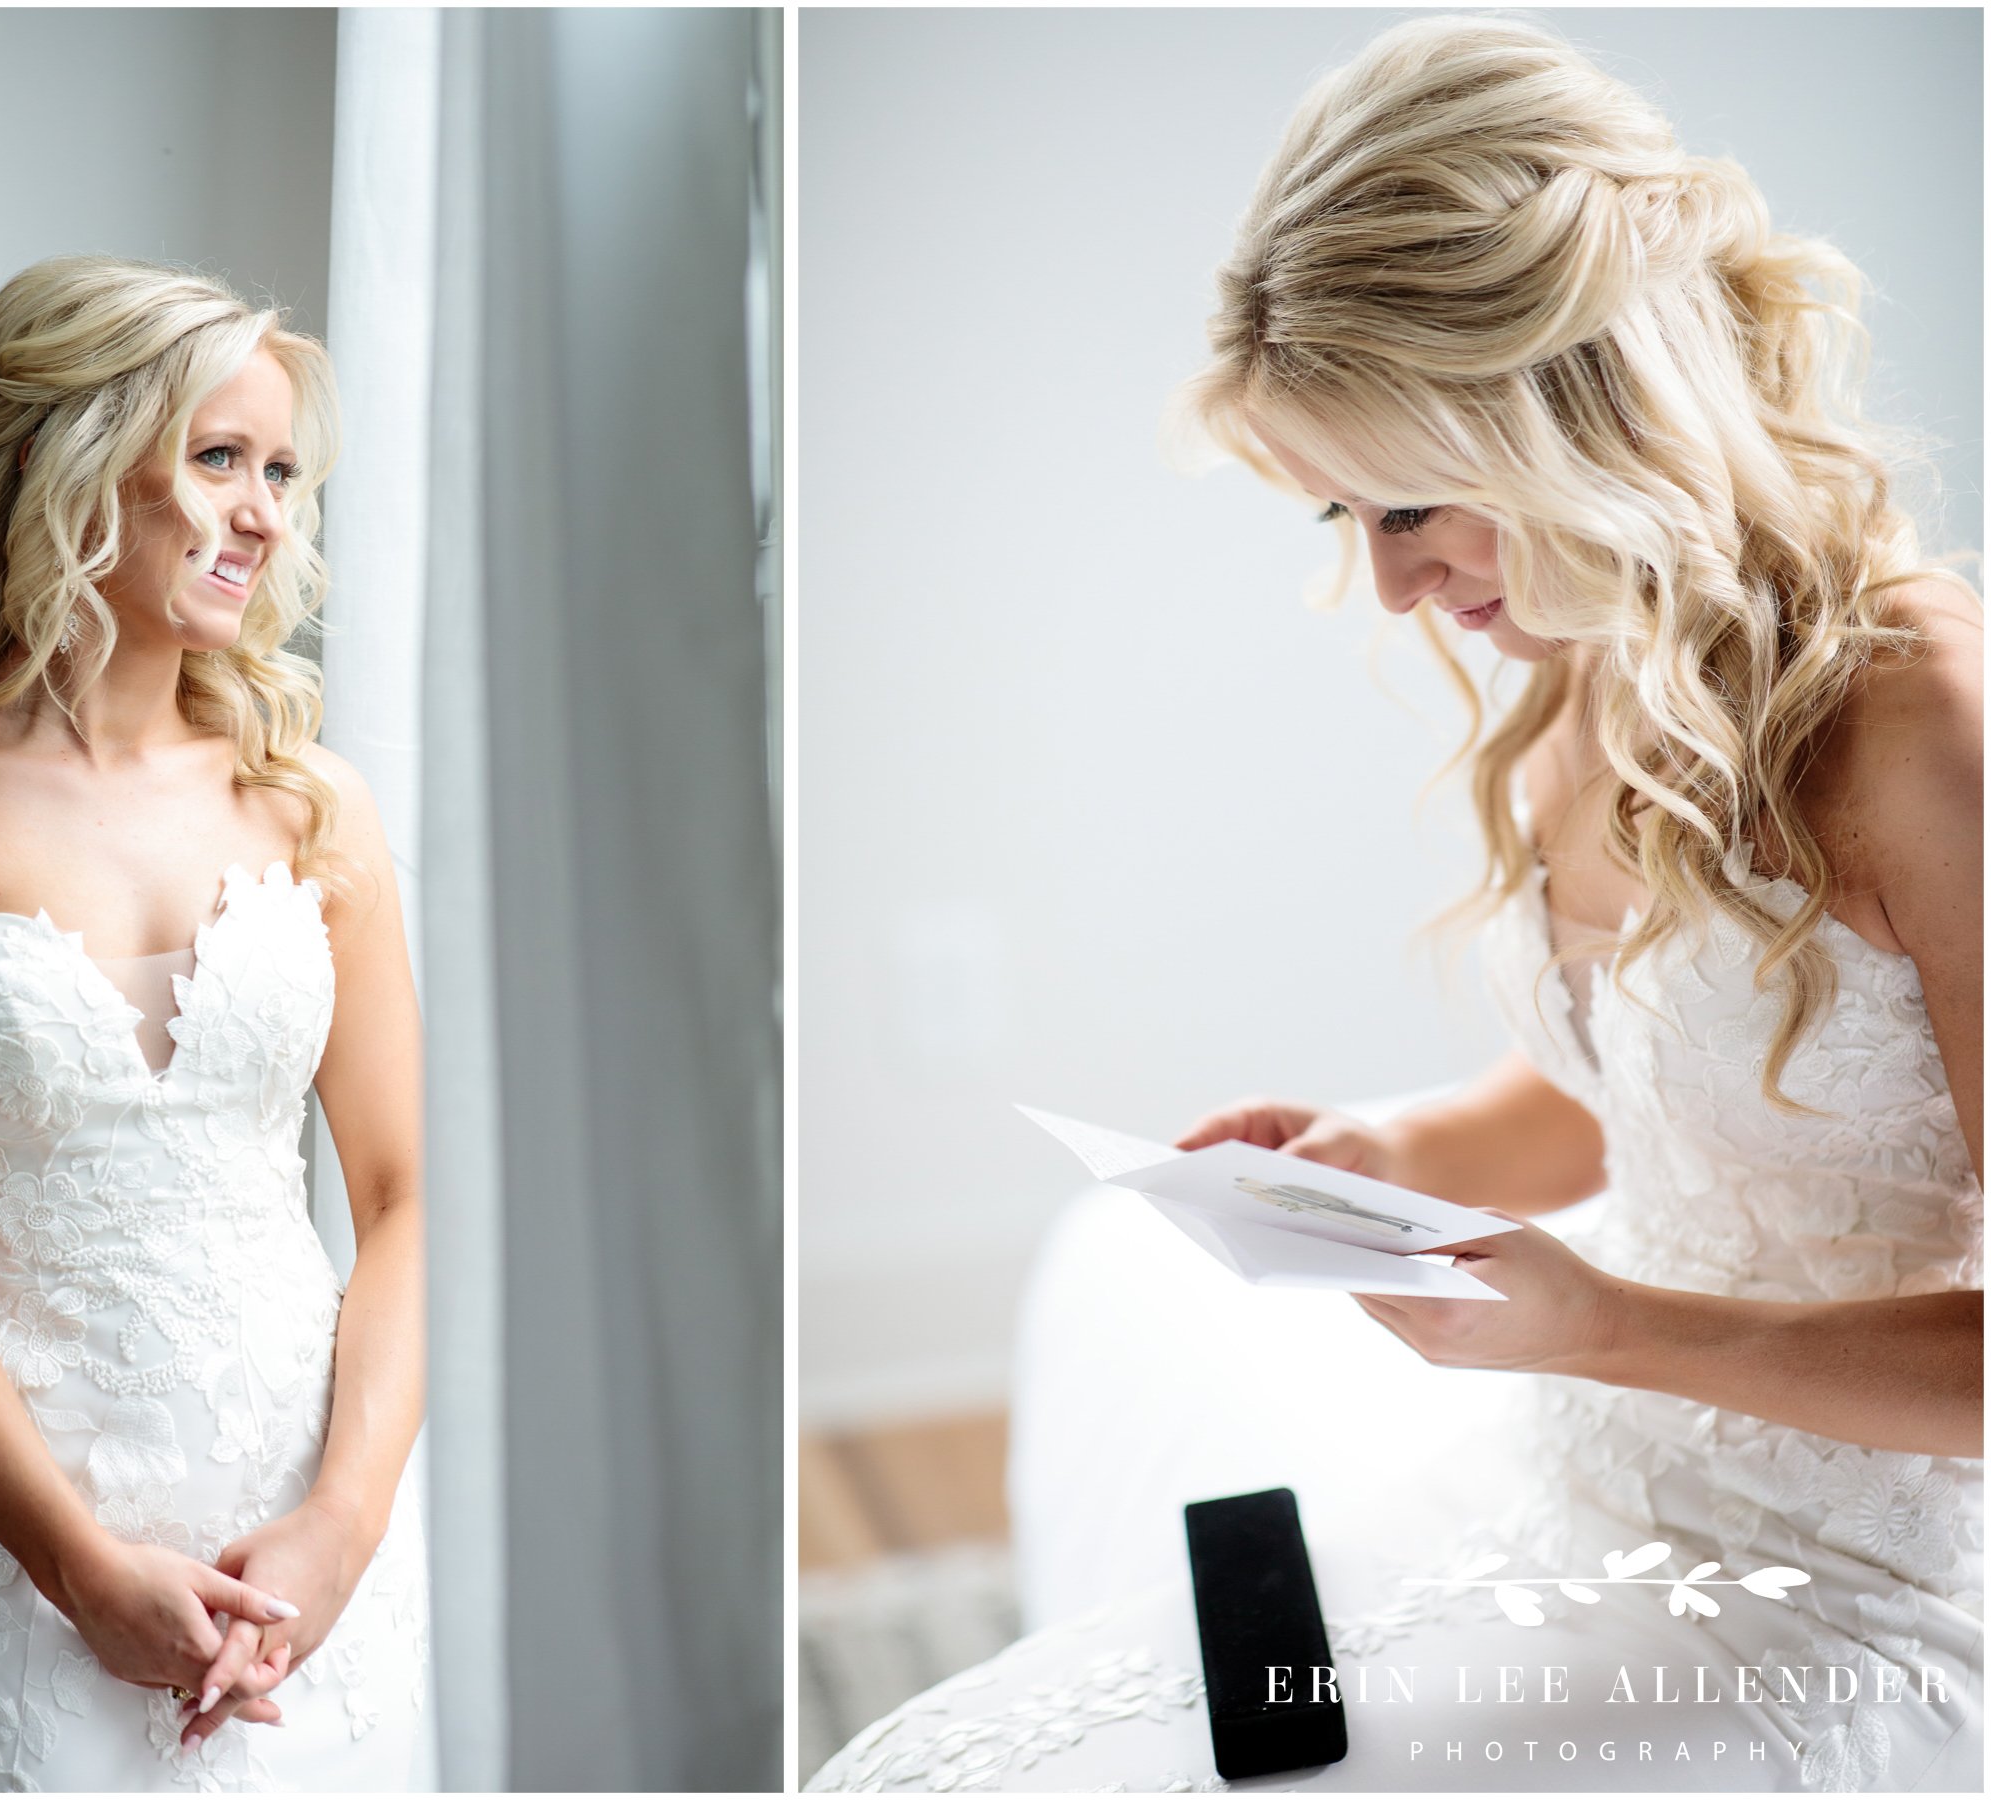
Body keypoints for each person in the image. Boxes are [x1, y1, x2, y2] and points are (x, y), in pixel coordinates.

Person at [812, 15, 1980, 1792]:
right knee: (940, 1762)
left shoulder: (1922, 726)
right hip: (1575, 1475)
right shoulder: (1590, 668)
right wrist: (1401, 1152)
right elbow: (1666, 1110)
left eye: (1418, 502)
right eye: (1341, 514)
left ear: (1591, 410)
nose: (1386, 581)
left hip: (1850, 1597)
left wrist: (1613, 1324)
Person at [0, 255, 431, 1789]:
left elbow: (395, 1201)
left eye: (280, 472)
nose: (265, 514)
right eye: (219, 460)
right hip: (28, 1566)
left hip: (313, 1547)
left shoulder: (311, 802)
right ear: (75, 458)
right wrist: (73, 1564)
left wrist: (345, 1526)